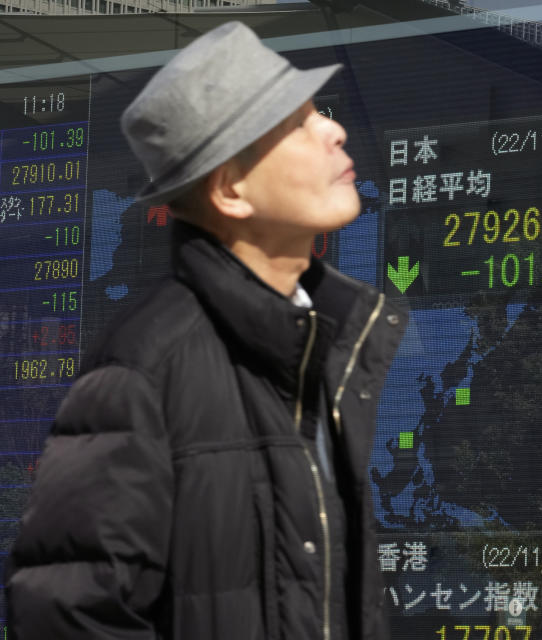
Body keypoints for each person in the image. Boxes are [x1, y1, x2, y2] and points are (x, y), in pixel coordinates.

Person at [5, 21, 406, 640]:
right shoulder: (145, 367)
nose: (333, 129)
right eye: (297, 123)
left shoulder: (312, 350)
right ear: (231, 189)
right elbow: (66, 613)